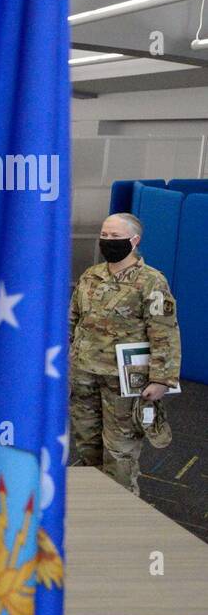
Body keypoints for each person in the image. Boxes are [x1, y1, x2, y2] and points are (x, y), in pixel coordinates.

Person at [69, 212, 180, 496]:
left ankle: (119, 510)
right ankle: (89, 504)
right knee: (86, 446)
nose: (107, 241)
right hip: (83, 376)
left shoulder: (152, 282)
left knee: (120, 452)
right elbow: (71, 320)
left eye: (114, 237)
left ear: (134, 240)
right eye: (104, 236)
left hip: (125, 383)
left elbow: (164, 332)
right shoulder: (90, 276)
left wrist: (161, 379)